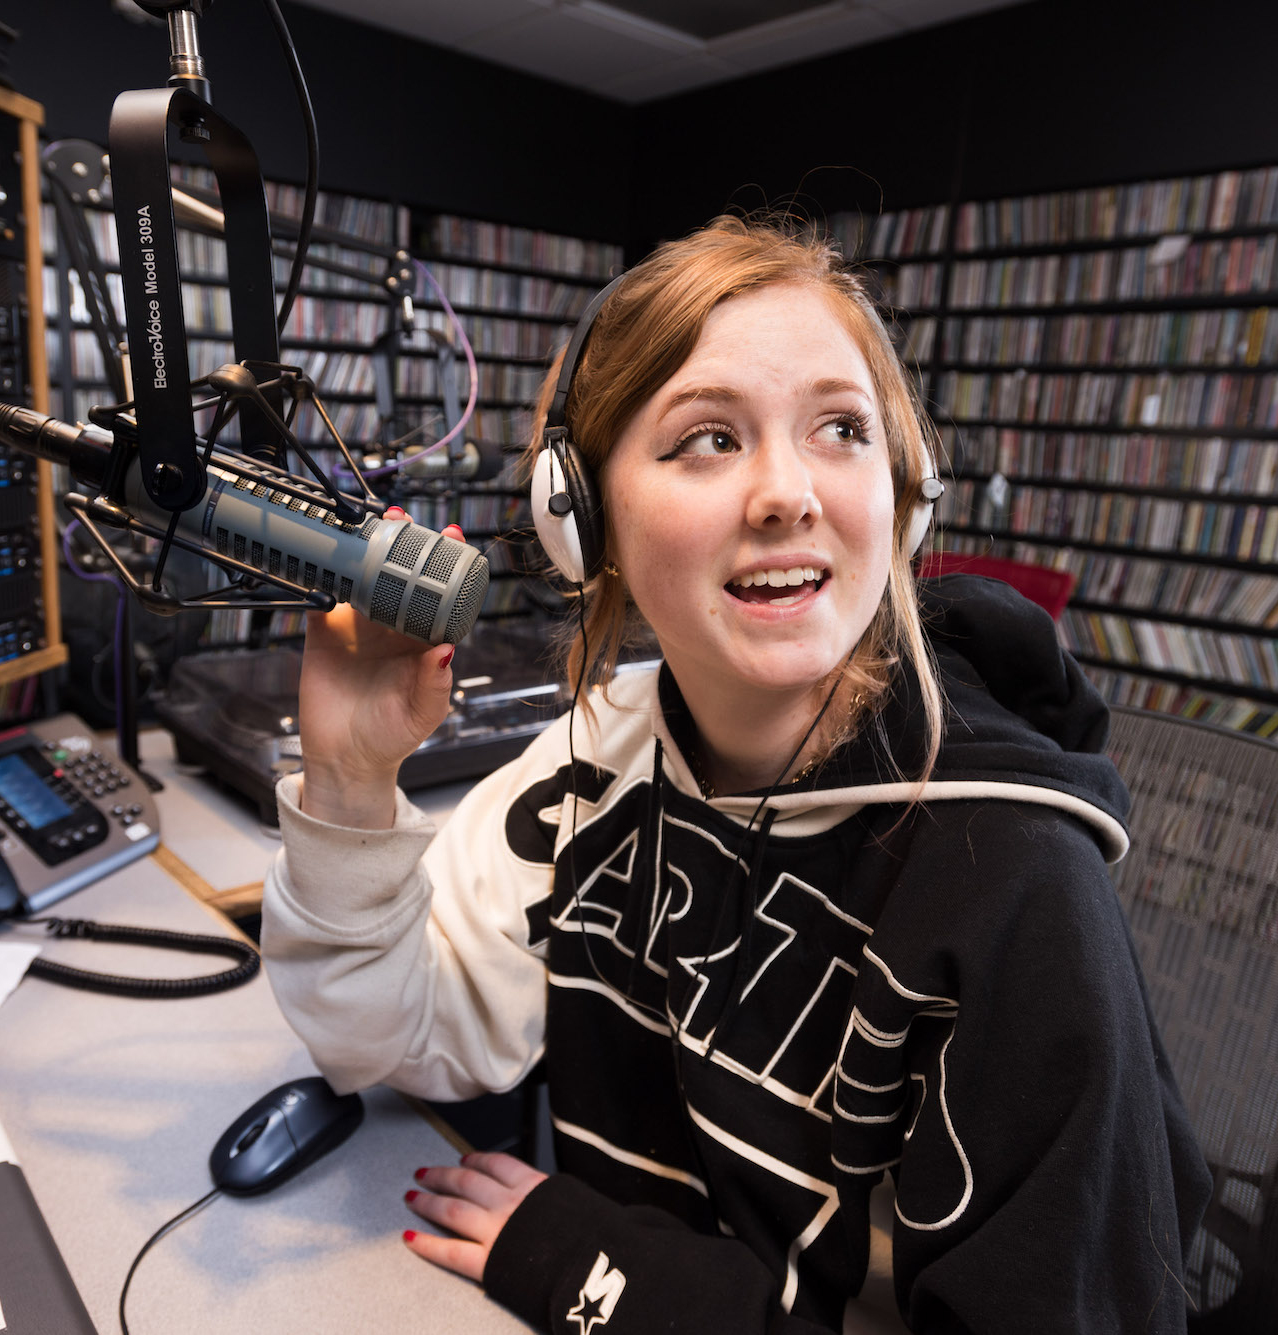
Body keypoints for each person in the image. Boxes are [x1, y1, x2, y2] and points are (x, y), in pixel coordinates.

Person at [261, 214, 1210, 1333]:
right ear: (580, 520)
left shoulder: (1011, 877)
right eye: (707, 438)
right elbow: (383, 1034)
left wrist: (605, 1277)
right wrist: (352, 782)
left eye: (840, 429)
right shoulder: (601, 748)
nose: (785, 494)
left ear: (900, 498)